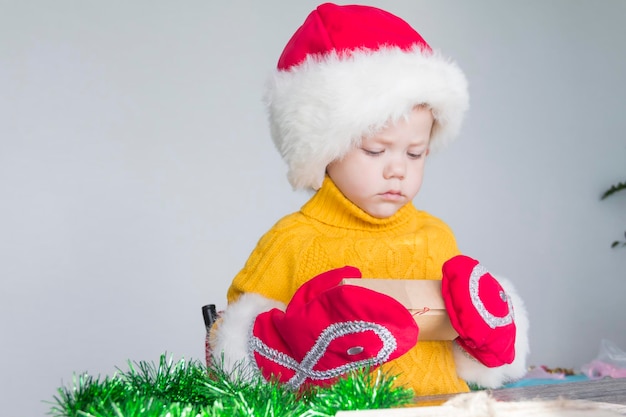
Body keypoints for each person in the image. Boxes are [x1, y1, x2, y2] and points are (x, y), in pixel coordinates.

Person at [209, 2, 529, 396]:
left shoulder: (435, 236)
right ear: (325, 149)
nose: (398, 169)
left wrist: (488, 333)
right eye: (376, 151)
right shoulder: (292, 241)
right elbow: (228, 348)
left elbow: (463, 345)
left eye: (415, 153)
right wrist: (289, 343)